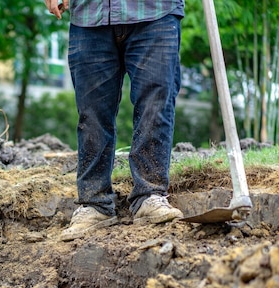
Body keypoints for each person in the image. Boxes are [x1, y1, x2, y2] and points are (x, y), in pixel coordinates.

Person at [46, 0, 185, 241]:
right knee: (92, 114)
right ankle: (94, 203)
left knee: (155, 104)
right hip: (90, 14)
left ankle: (149, 195)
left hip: (155, 11)